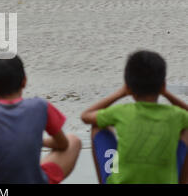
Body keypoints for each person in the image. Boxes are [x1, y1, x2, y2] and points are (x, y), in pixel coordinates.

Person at [81, 50, 188, 184]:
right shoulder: (175, 115)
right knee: (186, 130)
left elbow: (85, 116)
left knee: (98, 126)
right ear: (163, 85)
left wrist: (120, 93)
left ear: (129, 86)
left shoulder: (121, 111)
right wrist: (166, 94)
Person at [0, 54, 81, 184]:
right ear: (24, 81)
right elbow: (63, 144)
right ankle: (32, 171)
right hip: (34, 181)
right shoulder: (41, 106)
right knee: (74, 141)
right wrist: (37, 141)